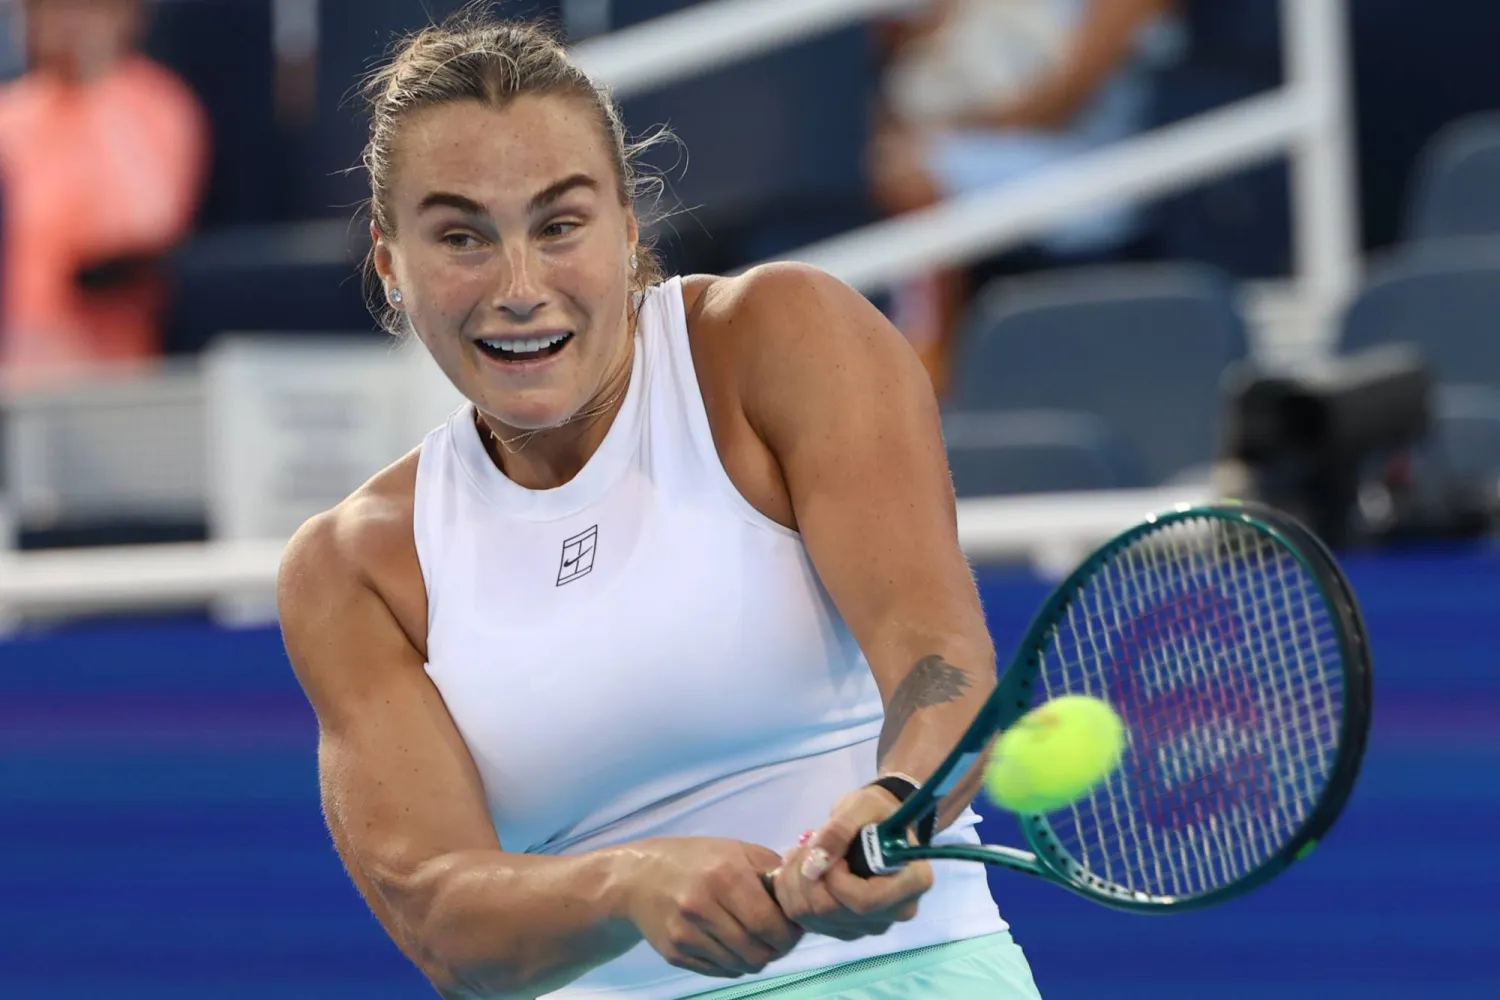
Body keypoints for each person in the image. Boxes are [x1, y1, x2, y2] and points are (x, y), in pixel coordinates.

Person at [278, 10, 1042, 1000]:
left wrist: (901, 796)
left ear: (629, 226)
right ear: (392, 265)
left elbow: (937, 656)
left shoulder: (786, 339)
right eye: (462, 236)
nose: (519, 287)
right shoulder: (352, 568)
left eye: (560, 226)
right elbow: (442, 921)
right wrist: (625, 887)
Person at [870, 0, 1178, 393]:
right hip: (995, 148)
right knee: (896, 159)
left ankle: (927, 371)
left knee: (917, 174)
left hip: (1090, 172)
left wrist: (954, 126)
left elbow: (1063, 100)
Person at [0, 0, 208, 385]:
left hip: (117, 375)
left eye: (85, 9)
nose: (65, 22)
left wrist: (96, 81)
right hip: (15, 373)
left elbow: (152, 222)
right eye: (48, 9)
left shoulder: (157, 105)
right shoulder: (8, 115)